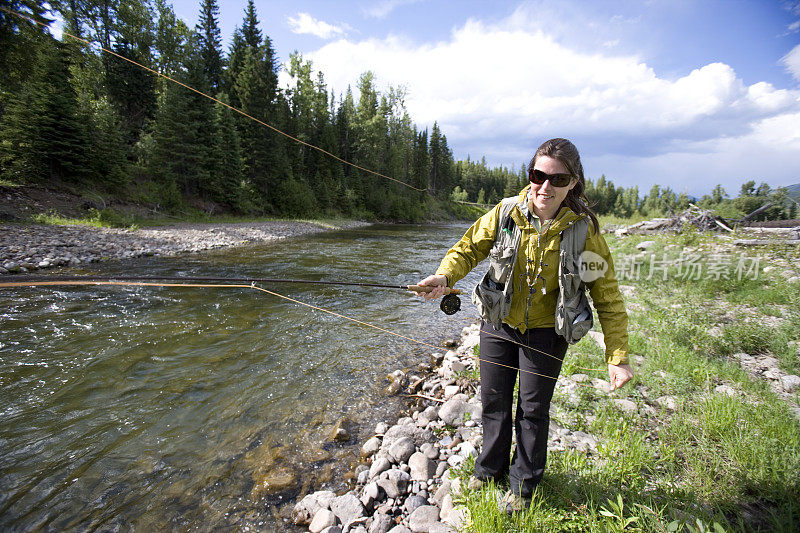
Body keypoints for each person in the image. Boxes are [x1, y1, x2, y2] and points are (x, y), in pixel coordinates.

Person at [418, 138, 633, 513]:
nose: (545, 187)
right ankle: (488, 471)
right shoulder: (505, 214)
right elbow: (467, 249)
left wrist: (617, 355)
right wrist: (443, 275)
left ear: (573, 183)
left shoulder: (585, 232)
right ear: (530, 174)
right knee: (494, 402)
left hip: (547, 334)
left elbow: (607, 295)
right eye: (538, 175)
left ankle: (523, 487)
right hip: (498, 324)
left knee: (533, 410)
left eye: (558, 179)